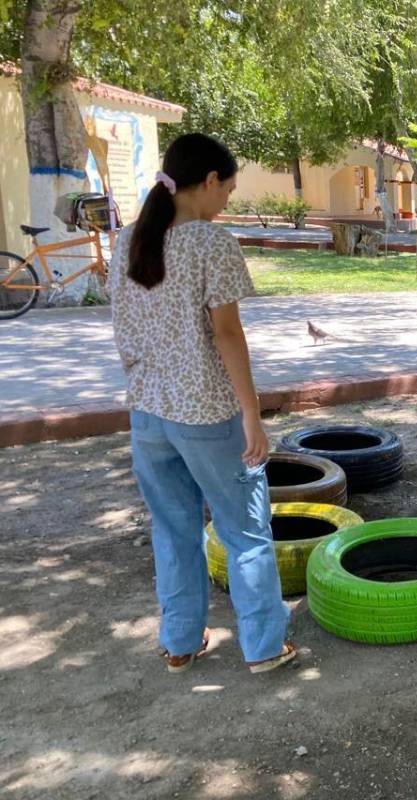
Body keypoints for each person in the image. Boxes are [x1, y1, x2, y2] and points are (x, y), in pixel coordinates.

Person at [108, 133, 297, 675]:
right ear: (209, 181)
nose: (228, 202)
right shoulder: (212, 243)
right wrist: (252, 414)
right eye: (229, 190)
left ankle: (180, 643)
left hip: (148, 413)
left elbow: (123, 330)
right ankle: (263, 646)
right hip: (207, 414)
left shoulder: (128, 242)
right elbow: (227, 335)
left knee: (173, 529)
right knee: (246, 534)